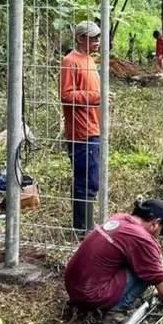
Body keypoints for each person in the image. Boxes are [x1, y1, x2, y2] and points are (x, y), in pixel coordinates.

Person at [63, 199, 163, 320]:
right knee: (147, 270)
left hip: (73, 288)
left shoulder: (119, 218)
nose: (157, 235)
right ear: (155, 223)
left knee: (141, 262)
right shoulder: (142, 239)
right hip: (90, 296)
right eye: (160, 230)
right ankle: (115, 311)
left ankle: (80, 304)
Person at [61, 21, 107, 231]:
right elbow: (66, 95)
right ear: (80, 39)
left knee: (91, 178)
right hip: (81, 132)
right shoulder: (70, 61)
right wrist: (98, 97)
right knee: (86, 179)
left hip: (93, 127)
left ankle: (85, 225)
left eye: (98, 37)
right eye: (93, 37)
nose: (98, 41)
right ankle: (82, 228)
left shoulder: (89, 59)